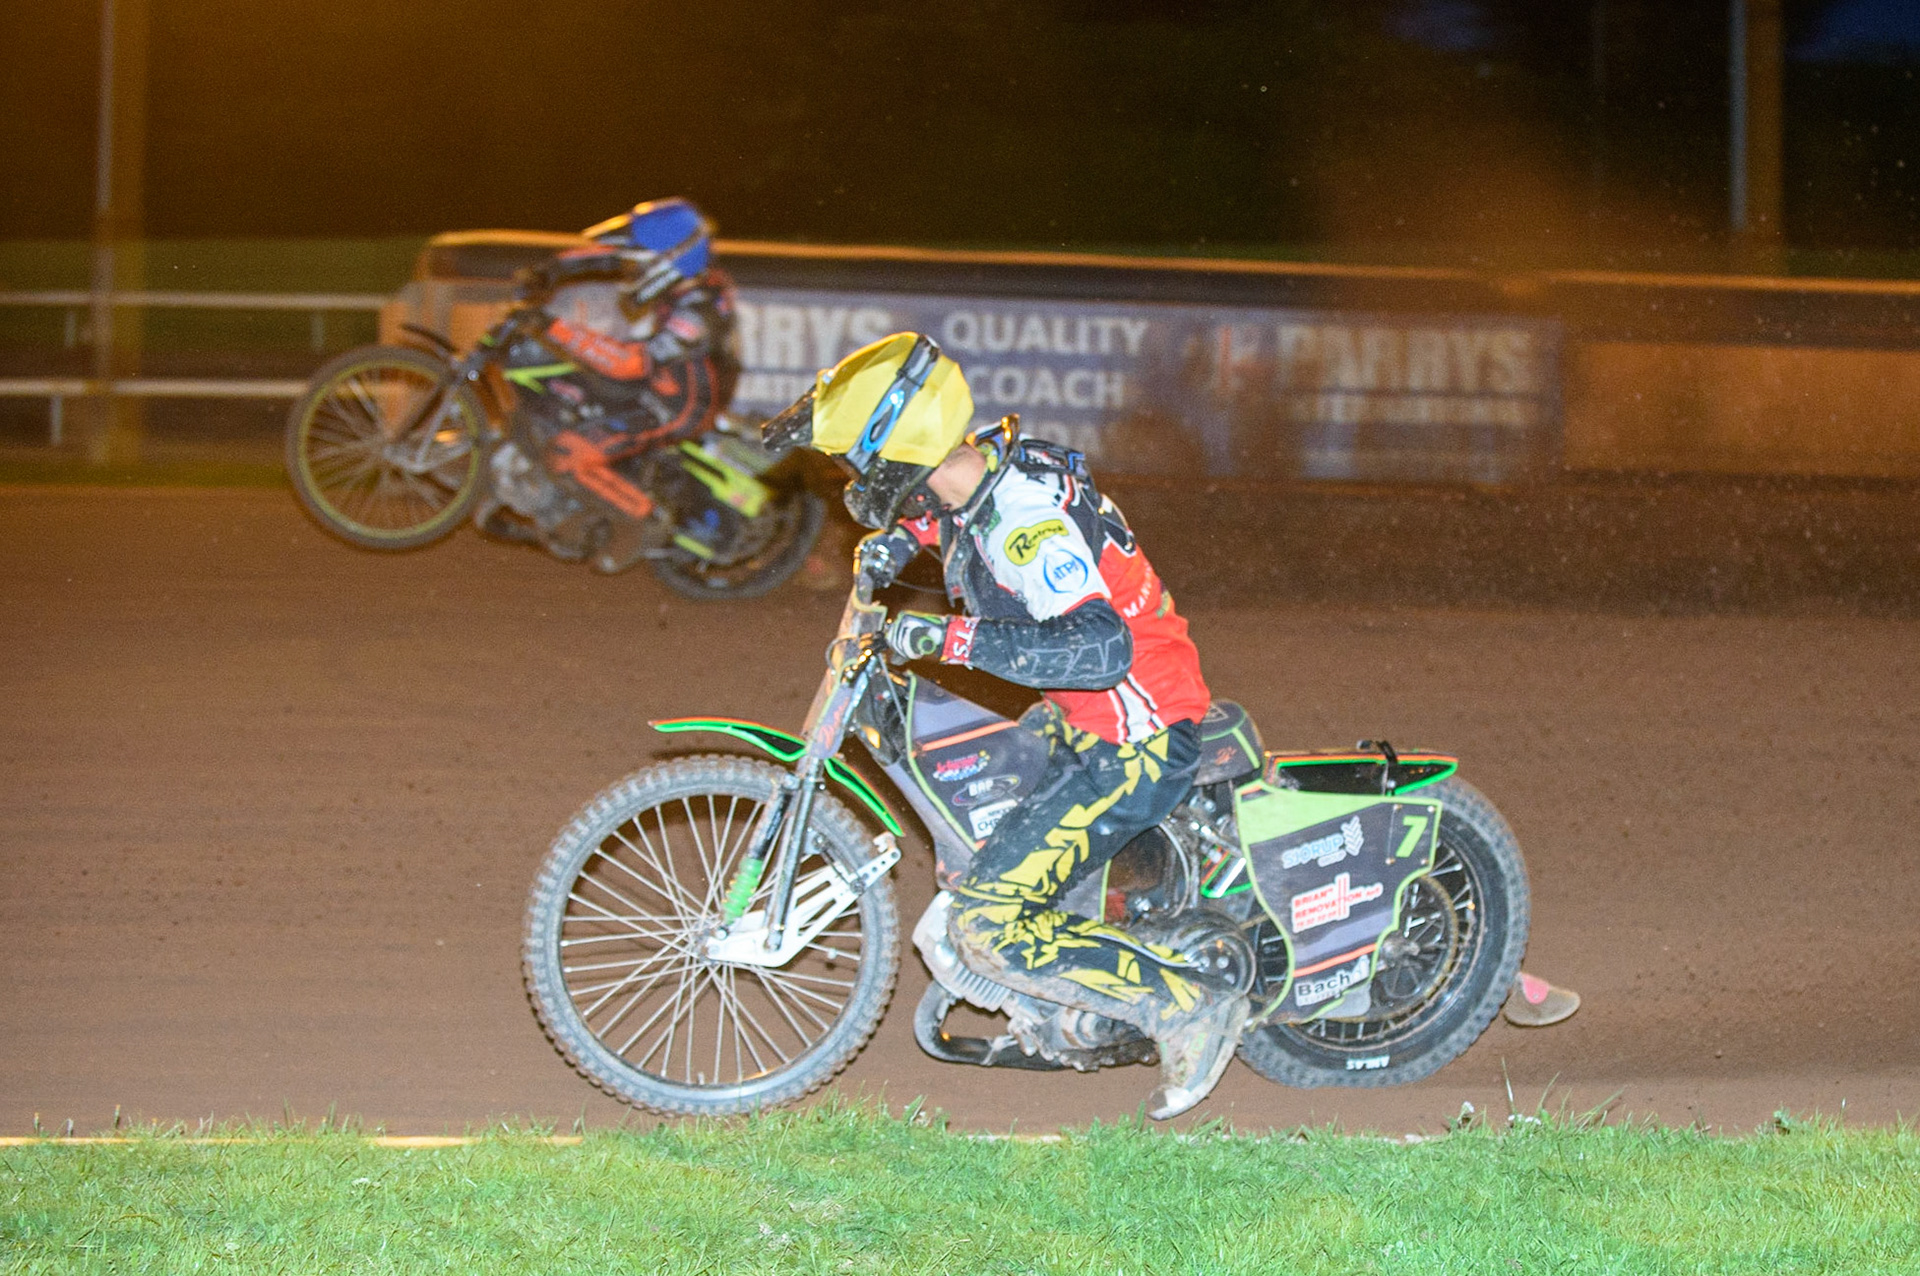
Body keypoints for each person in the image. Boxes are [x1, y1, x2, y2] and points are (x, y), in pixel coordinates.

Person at [765, 331, 1253, 1120]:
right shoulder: (978, 481)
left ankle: (1187, 1003)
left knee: (987, 923)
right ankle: (1058, 983)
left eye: (855, 460)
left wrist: (944, 637)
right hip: (1080, 718)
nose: (849, 480)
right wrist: (897, 544)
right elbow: (951, 530)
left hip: (1135, 735)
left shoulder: (1022, 520)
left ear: (899, 447)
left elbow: (1098, 646)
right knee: (980, 811)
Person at [508, 197, 742, 571]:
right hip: (652, 387)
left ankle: (639, 519)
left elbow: (631, 365)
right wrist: (548, 270)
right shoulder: (686, 273)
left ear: (671, 258)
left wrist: (553, 327)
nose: (632, 268)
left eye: (642, 260)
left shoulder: (699, 314)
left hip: (675, 406)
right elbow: (606, 256)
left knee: (567, 454)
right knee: (558, 399)